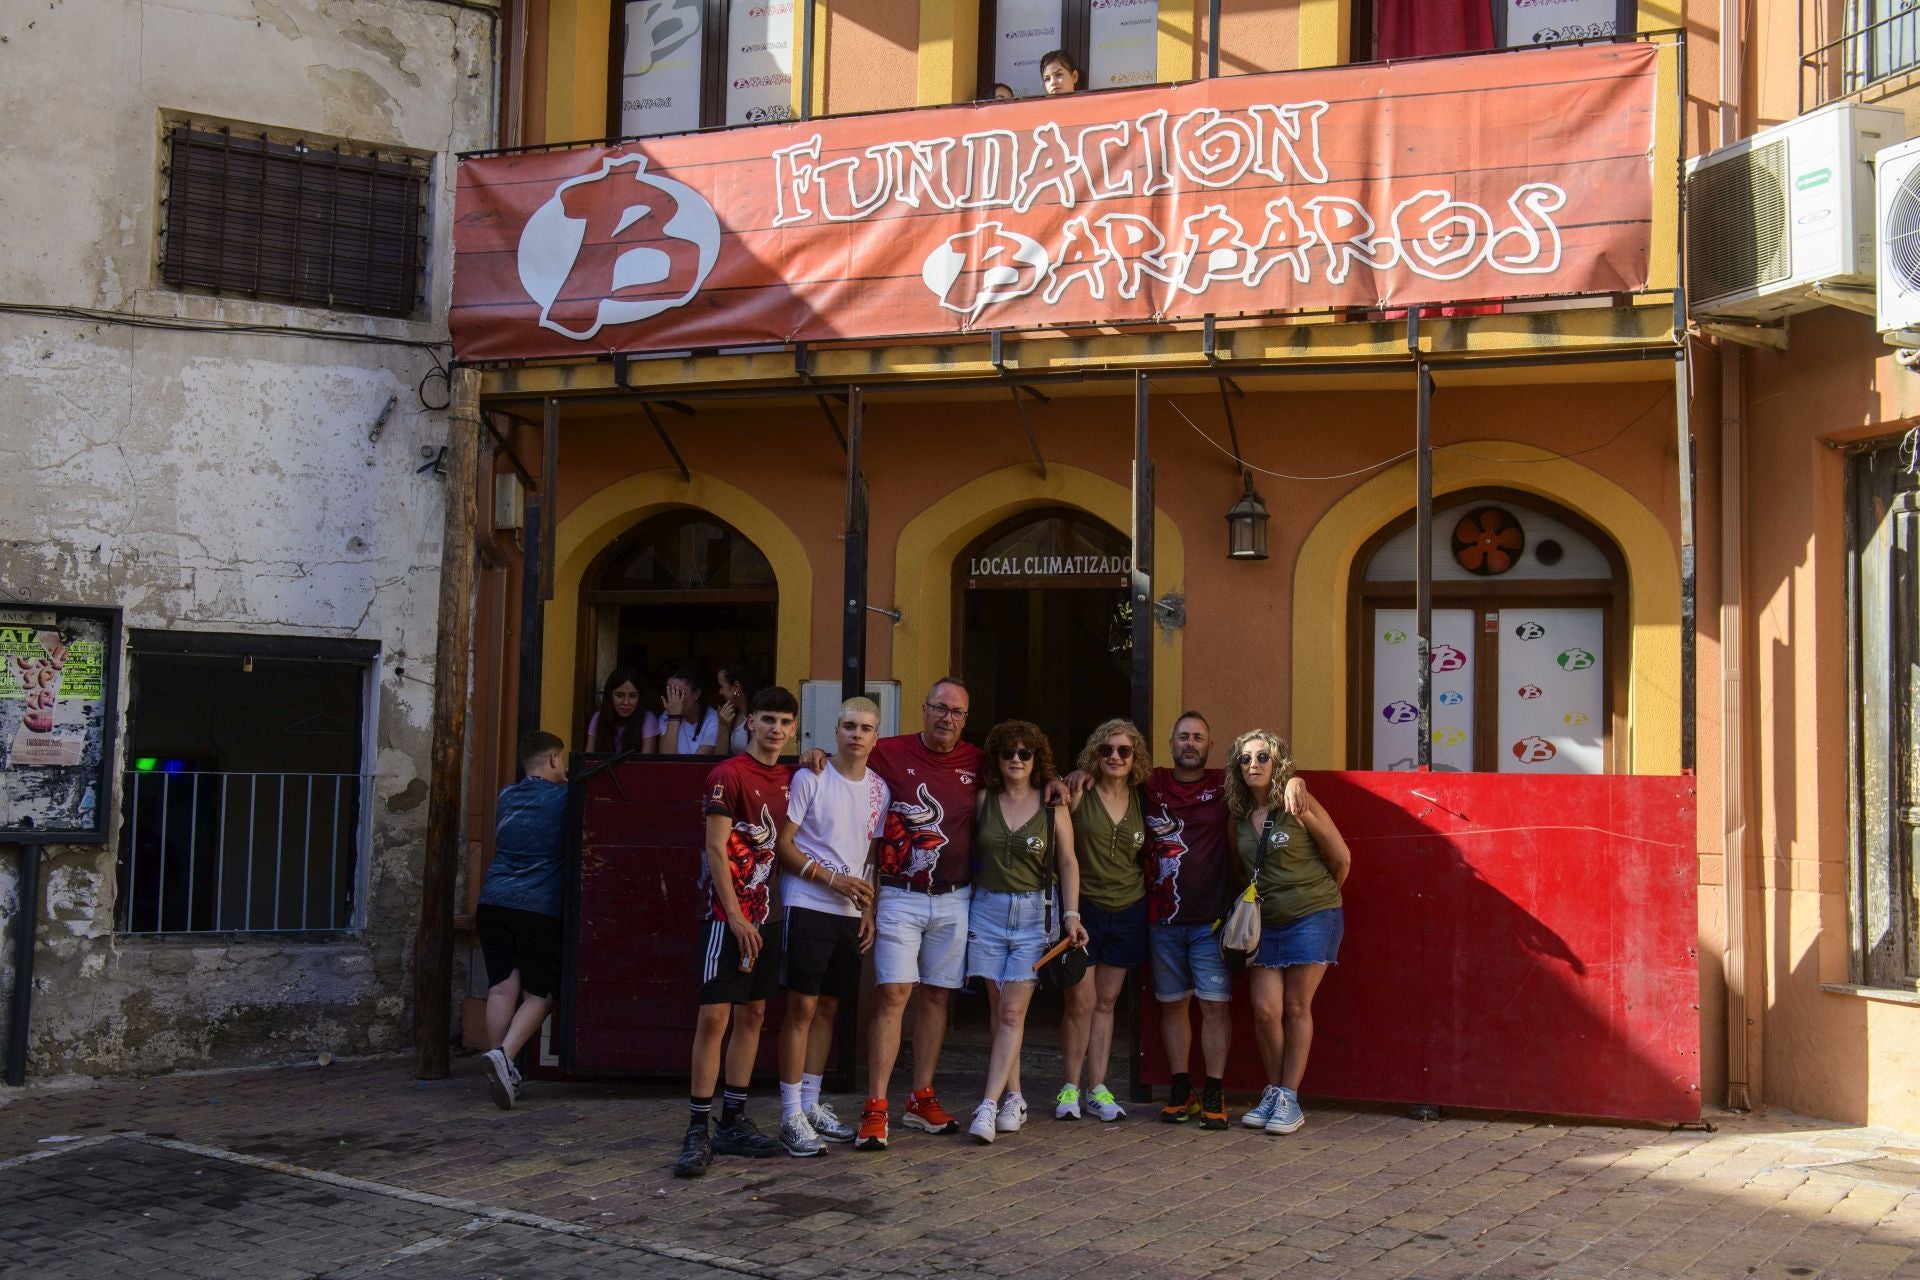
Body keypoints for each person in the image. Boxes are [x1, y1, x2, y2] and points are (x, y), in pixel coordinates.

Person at [673, 686, 801, 1178]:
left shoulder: (791, 777)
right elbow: (714, 850)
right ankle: (696, 1129)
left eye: (785, 722)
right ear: (750, 722)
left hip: (768, 916)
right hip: (727, 918)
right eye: (767, 719)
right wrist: (736, 915)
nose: (776, 729)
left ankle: (733, 1120)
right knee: (713, 1018)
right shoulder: (727, 775)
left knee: (754, 1015)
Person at [771, 696, 887, 1157]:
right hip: (808, 903)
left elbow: (871, 855)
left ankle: (811, 1103)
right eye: (849, 726)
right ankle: (789, 1115)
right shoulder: (811, 776)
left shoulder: (881, 789)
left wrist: (868, 910)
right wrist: (832, 879)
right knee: (800, 1008)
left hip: (849, 915)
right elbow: (785, 845)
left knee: (828, 1010)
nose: (857, 734)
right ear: (835, 731)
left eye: (865, 728)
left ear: (876, 736)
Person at [1226, 730, 1352, 1136]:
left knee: (1297, 1007)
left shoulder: (1298, 801)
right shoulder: (1239, 817)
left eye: (1263, 757)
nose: (1254, 765)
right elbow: (1240, 870)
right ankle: (1275, 1092)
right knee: (1265, 1010)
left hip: (1312, 915)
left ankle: (1289, 1097)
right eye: (1246, 759)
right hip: (1264, 923)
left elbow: (1341, 858)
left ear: (1278, 763)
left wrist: (1317, 896)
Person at [966, 720, 1087, 1144]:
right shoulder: (983, 800)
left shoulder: (1052, 805)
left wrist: (1071, 915)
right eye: (1008, 753)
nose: (1016, 760)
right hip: (987, 911)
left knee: (1013, 1013)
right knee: (1001, 1013)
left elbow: (1068, 862)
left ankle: (986, 1104)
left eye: (1025, 753)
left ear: (1037, 760)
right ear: (996, 759)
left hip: (1036, 912)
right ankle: (1014, 1096)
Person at [1055, 718, 1151, 1123]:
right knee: (1081, 1000)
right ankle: (1070, 1087)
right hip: (1086, 906)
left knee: (1108, 1002)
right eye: (1106, 750)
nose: (1114, 757)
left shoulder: (1144, 798)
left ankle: (1098, 1087)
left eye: (1124, 751)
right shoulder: (1079, 790)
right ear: (1095, 753)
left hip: (1129, 907)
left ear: (1135, 758)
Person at [477, 731, 570, 1111]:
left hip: (492, 902)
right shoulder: (564, 798)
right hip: (536, 906)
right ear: (553, 760)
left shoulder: (504, 796)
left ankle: (504, 1068)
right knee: (541, 995)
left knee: (501, 988)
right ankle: (505, 1056)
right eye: (562, 760)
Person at [586, 666, 659, 754]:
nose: (626, 702)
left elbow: (645, 763)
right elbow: (588, 759)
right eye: (619, 695)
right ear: (610, 696)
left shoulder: (647, 719)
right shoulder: (598, 717)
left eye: (633, 696)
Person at [661, 667, 724, 755]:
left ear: (697, 693)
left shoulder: (712, 719)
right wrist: (673, 718)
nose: (673, 700)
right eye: (670, 693)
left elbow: (696, 763)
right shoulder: (667, 715)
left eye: (679, 694)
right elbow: (666, 760)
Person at [715, 664, 756, 756]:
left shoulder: (759, 717)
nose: (720, 692)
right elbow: (719, 759)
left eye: (721, 686)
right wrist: (723, 727)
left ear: (736, 687)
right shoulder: (731, 715)